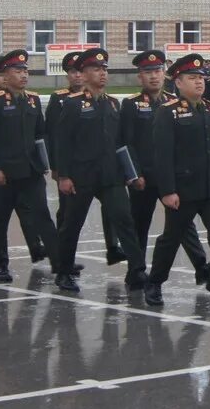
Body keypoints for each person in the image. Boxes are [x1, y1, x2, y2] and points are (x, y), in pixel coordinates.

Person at [145, 54, 210, 315]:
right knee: (171, 238)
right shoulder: (167, 112)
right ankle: (155, 282)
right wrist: (168, 191)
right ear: (178, 83)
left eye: (201, 78)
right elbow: (162, 155)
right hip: (184, 190)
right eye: (192, 78)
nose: (199, 82)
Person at [52, 48, 148, 293]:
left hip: (111, 176)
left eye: (104, 69)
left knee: (124, 221)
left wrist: (132, 173)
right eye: (96, 69)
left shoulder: (114, 104)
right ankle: (63, 272)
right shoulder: (73, 104)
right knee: (72, 224)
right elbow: (62, 142)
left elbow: (123, 143)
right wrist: (63, 175)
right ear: (83, 75)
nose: (102, 73)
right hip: (81, 176)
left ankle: (136, 271)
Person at [118, 50, 210, 283]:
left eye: (157, 71)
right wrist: (133, 174)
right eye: (148, 72)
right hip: (144, 176)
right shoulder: (131, 105)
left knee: (183, 224)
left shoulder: (174, 103)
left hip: (170, 175)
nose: (154, 77)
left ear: (165, 75)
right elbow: (124, 144)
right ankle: (136, 270)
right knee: (139, 223)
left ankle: (201, 267)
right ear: (140, 77)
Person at [0, 50, 61, 283]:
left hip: (31, 170)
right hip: (6, 172)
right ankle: (1, 264)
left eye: (25, 71)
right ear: (5, 74)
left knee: (42, 215)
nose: (23, 75)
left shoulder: (32, 99)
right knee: (0, 218)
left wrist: (45, 160)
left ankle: (59, 263)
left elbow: (40, 133)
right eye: (18, 71)